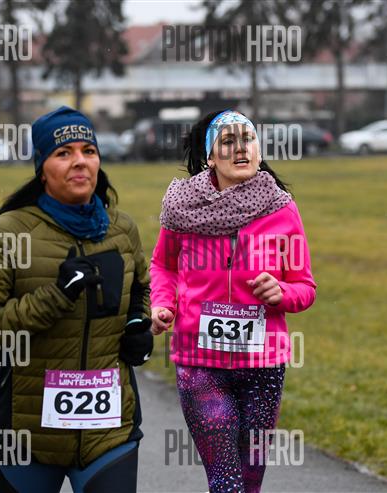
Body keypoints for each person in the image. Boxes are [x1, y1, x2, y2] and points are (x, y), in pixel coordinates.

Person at [0, 106, 153, 493]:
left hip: (108, 433)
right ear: (42, 168)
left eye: (88, 151)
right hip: (27, 438)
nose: (80, 161)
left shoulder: (122, 229)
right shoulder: (9, 232)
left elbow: (140, 290)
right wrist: (56, 296)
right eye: (64, 153)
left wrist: (138, 324)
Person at [149, 109, 317, 492]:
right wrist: (163, 304)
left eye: (248, 139)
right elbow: (163, 264)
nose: (241, 148)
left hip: (263, 366)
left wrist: (282, 292)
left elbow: (305, 286)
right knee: (226, 483)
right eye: (228, 141)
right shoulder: (183, 208)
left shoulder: (282, 210)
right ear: (210, 156)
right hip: (200, 363)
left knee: (249, 483)